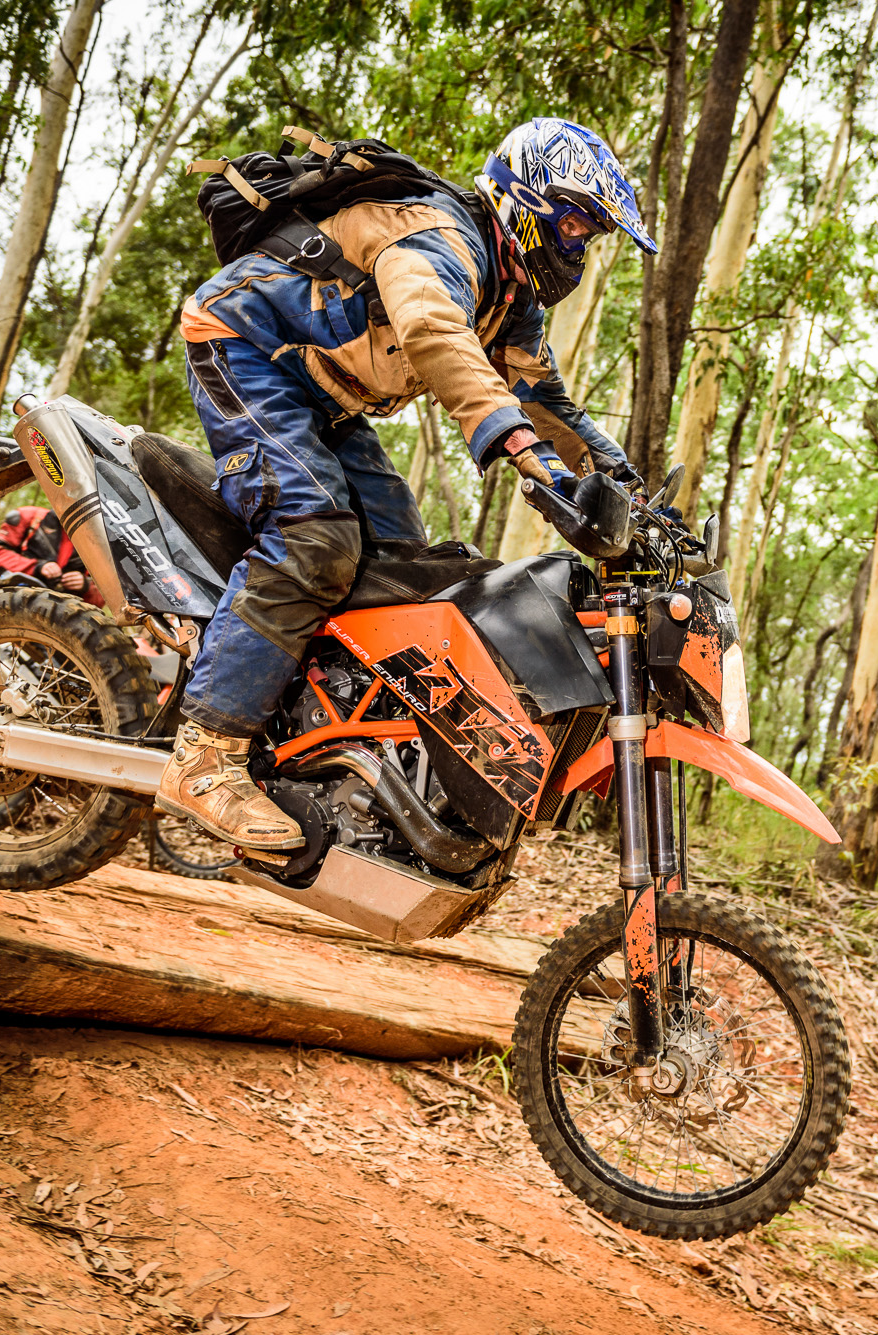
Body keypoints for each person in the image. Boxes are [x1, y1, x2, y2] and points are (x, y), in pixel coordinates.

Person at [157, 118, 656, 854]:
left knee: (405, 568)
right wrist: (524, 453)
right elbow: (432, 330)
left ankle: (319, 737)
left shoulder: (511, 299)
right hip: (247, 349)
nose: (580, 245)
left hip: (324, 391)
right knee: (315, 539)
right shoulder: (442, 236)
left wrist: (627, 487)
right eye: (576, 223)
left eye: (593, 233)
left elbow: (547, 402)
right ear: (528, 201)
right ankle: (206, 754)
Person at [0, 505, 104, 606]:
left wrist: (86, 586)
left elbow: (102, 600)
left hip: (59, 616)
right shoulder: (29, 517)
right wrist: (37, 567)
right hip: (10, 602)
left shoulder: (99, 546)